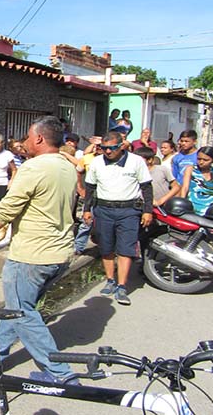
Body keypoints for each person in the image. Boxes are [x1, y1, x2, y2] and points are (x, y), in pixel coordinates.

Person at [0, 116, 79, 385]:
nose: (23, 142)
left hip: (32, 256)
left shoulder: (34, 168)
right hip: (59, 253)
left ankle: (60, 373)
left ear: (38, 139)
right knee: (17, 307)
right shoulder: (68, 167)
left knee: (21, 311)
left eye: (26, 136)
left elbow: (8, 207)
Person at [83, 131, 153, 306]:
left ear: (122, 146)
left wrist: (147, 210)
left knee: (126, 248)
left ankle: (122, 286)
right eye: (104, 148)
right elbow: (90, 187)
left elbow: (146, 187)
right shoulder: (97, 162)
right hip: (104, 209)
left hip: (128, 210)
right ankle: (110, 280)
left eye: (112, 148)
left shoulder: (136, 162)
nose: (107, 152)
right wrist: (86, 209)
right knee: (106, 247)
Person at [179, 146, 213, 215]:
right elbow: (185, 187)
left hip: (211, 210)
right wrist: (182, 203)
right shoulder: (191, 169)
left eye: (205, 160)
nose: (201, 162)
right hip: (193, 207)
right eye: (199, 159)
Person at [74, 137, 102, 254]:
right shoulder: (86, 159)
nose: (99, 148)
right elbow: (78, 172)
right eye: (97, 146)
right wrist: (80, 187)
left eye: (101, 146)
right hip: (91, 196)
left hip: (106, 197)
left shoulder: (110, 160)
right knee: (86, 222)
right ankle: (78, 247)